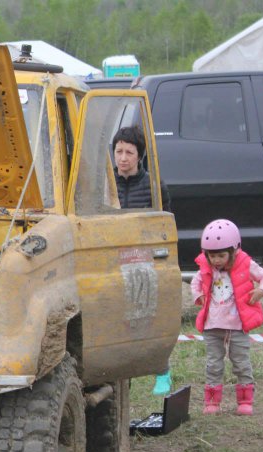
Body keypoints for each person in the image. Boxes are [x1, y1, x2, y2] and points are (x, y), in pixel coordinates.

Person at [112, 125, 174, 395]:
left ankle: (162, 371)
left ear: (140, 156)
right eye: (119, 151)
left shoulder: (154, 185)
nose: (123, 158)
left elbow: (164, 223)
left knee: (150, 320)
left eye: (129, 152)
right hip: (113, 261)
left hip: (144, 261)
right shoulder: (105, 185)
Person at [190, 219, 263, 415]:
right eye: (212, 256)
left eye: (221, 255)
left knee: (241, 363)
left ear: (234, 251)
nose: (216, 260)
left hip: (237, 326)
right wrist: (198, 295)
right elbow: (195, 282)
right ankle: (212, 402)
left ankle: (245, 401)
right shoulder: (206, 268)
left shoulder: (246, 264)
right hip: (212, 326)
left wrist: (261, 290)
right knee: (213, 365)